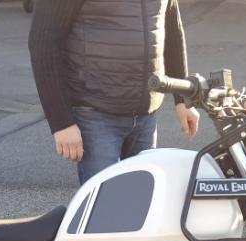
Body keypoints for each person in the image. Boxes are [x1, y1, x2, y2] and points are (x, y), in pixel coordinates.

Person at [28, 0, 200, 184]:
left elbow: (171, 29)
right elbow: (43, 42)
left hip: (145, 115)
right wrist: (61, 123)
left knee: (142, 197)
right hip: (95, 115)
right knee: (106, 198)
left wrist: (183, 98)